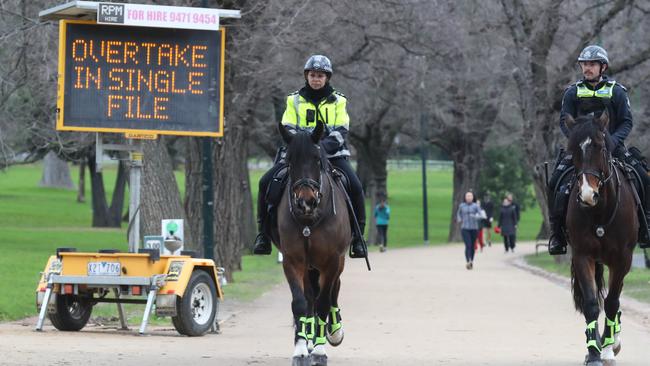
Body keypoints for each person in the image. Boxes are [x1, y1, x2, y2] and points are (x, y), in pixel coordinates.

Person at [252, 55, 367, 258]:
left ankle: (358, 238)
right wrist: (303, 148)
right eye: (313, 75)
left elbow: (342, 129)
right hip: (298, 154)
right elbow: (287, 125)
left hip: (332, 154)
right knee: (265, 182)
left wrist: (321, 148)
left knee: (356, 186)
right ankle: (263, 235)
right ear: (307, 76)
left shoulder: (339, 101)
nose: (316, 79)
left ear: (327, 78)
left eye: (320, 75)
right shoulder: (293, 99)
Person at [547, 45, 650, 255]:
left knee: (643, 177)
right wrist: (578, 143)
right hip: (581, 149)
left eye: (592, 64)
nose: (587, 68)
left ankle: (646, 227)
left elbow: (626, 122)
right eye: (584, 64)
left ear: (603, 67)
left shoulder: (617, 91)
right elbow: (564, 122)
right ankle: (557, 234)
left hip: (612, 146)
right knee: (553, 182)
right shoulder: (572, 92)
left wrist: (610, 142)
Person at [457, 191, 482, 270]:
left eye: (470, 196)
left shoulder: (476, 206)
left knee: (472, 246)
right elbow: (458, 214)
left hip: (474, 228)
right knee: (468, 245)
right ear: (465, 197)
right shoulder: (462, 206)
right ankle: (468, 261)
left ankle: (471, 261)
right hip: (465, 228)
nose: (468, 197)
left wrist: (475, 216)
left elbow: (481, 215)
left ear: (473, 197)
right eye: (467, 196)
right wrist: (459, 219)